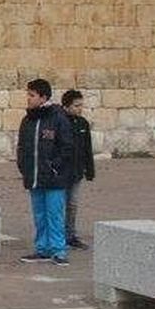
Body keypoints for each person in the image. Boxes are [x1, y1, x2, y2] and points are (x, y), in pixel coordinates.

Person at [16, 78, 77, 265]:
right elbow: (22, 147)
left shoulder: (58, 118)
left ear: (43, 97)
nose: (28, 98)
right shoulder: (27, 120)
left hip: (54, 178)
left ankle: (59, 250)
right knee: (40, 215)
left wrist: (55, 166)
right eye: (28, 94)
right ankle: (42, 248)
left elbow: (67, 147)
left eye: (32, 95)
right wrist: (24, 166)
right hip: (34, 176)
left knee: (54, 214)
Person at [61, 89, 95, 250]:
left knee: (72, 204)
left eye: (81, 105)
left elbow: (87, 148)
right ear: (66, 106)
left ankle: (71, 235)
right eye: (76, 106)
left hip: (76, 172)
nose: (79, 109)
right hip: (61, 172)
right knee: (59, 204)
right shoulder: (59, 122)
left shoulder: (83, 123)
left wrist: (89, 169)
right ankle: (58, 235)